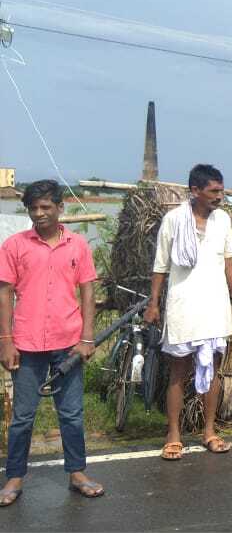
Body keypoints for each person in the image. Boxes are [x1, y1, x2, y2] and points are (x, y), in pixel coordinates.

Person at [0, 180, 103, 506]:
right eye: (33, 208)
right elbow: (4, 293)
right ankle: (14, 477)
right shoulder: (14, 245)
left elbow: (88, 291)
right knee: (23, 416)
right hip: (27, 344)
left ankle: (77, 473)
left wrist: (87, 338)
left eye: (46, 207)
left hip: (68, 343)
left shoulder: (78, 245)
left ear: (60, 207)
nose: (39, 213)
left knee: (71, 414)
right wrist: (6, 341)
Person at [144, 164, 232, 461]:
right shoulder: (174, 220)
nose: (219, 196)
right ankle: (173, 435)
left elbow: (229, 264)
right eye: (214, 191)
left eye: (221, 190)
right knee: (178, 372)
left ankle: (209, 432)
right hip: (183, 306)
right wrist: (154, 303)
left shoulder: (222, 220)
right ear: (195, 190)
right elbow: (160, 266)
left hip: (215, 306)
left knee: (212, 370)